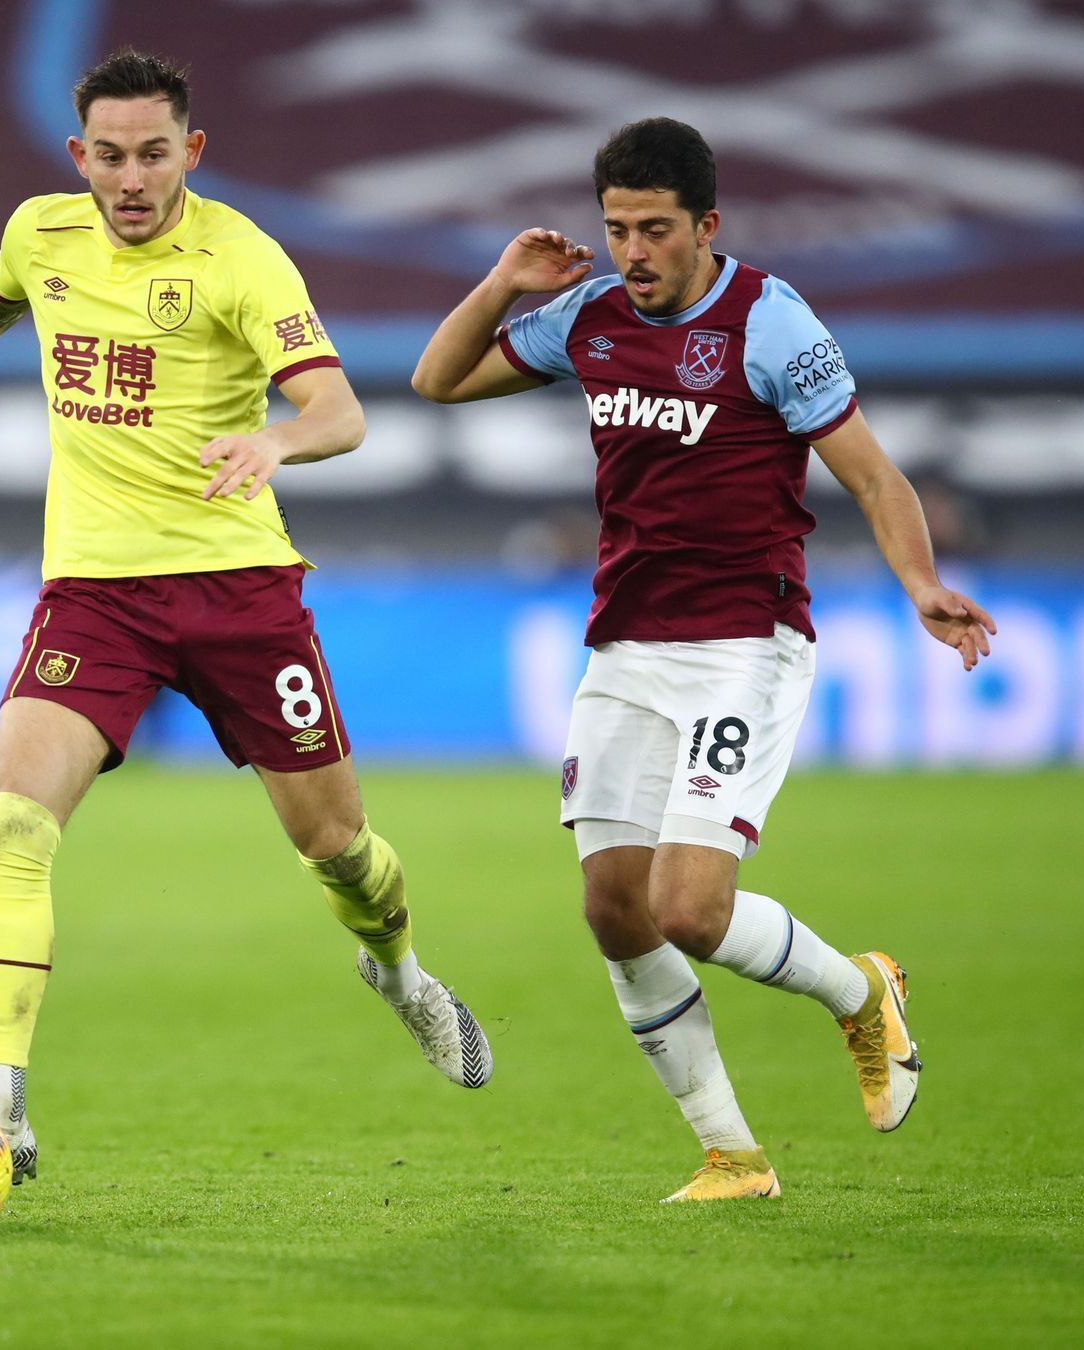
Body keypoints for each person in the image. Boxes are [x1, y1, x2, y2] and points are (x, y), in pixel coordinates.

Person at [0, 50, 492, 1185]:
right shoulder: (41, 235)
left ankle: (400, 974)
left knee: (338, 850)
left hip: (240, 590)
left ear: (191, 152)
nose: (132, 177)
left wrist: (277, 439)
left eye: (154, 153)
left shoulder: (242, 257)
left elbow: (340, 408)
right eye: (110, 155)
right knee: (16, 820)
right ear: (80, 157)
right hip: (95, 594)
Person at [413, 118, 996, 1202]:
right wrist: (502, 283)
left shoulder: (770, 323)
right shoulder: (585, 318)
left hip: (743, 646)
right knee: (611, 910)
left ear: (706, 227)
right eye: (617, 228)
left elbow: (873, 476)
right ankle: (733, 1154)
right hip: (625, 647)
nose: (633, 251)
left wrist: (920, 586)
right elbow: (438, 380)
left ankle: (859, 992)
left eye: (656, 230)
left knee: (689, 907)